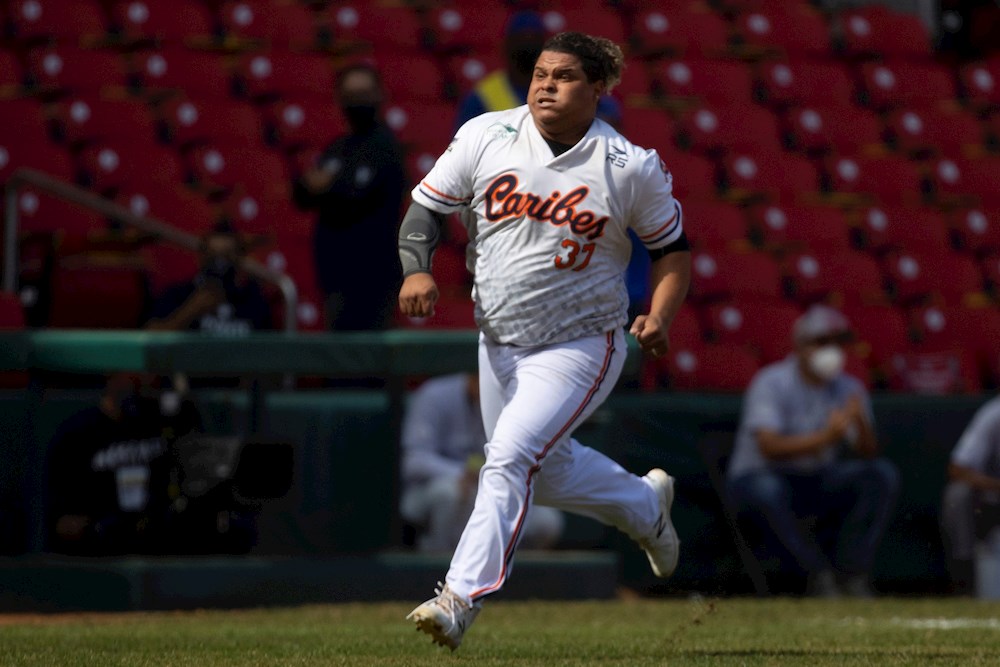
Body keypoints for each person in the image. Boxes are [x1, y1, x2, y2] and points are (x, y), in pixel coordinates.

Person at [397, 32, 691, 650]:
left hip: (583, 342)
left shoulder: (629, 165)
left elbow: (670, 253)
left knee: (506, 459)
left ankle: (458, 599)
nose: (544, 85)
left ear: (599, 89)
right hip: (500, 337)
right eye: (538, 74)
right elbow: (425, 210)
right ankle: (643, 506)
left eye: (563, 76)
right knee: (541, 472)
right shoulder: (486, 134)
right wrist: (418, 267)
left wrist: (660, 316)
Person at [725, 304, 900, 597]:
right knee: (767, 490)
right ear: (800, 346)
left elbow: (868, 452)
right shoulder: (772, 381)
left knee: (880, 475)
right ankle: (816, 576)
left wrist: (859, 423)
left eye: (838, 343)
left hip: (816, 479)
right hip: (762, 476)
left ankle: (852, 574)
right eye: (822, 342)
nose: (831, 351)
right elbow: (769, 447)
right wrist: (825, 437)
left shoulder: (849, 388)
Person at [292, 62, 406, 331]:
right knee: (339, 356)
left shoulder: (385, 148)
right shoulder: (338, 148)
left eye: (364, 94)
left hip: (373, 276)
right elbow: (302, 193)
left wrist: (327, 188)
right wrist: (322, 188)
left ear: (379, 96)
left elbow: (356, 197)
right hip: (335, 275)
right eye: (352, 96)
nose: (358, 103)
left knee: (365, 359)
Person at [401, 372, 564, 553]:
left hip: (493, 491)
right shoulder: (435, 396)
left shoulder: (512, 400)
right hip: (434, 490)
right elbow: (413, 461)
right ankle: (440, 570)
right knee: (449, 494)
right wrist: (460, 474)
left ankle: (507, 574)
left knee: (545, 522)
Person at [45, 373, 203, 556]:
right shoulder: (76, 435)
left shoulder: (167, 427)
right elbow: (60, 524)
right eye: (134, 373)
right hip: (101, 557)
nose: (145, 380)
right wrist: (100, 528)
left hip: (159, 552)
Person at [146, 222, 272, 335]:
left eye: (227, 254)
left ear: (240, 257)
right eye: (213, 254)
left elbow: (270, 349)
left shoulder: (252, 300)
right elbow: (150, 336)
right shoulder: (180, 294)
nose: (219, 263)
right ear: (201, 256)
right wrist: (190, 311)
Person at [940, 394, 1000, 596]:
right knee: (958, 494)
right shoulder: (994, 414)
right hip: (992, 501)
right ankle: (965, 580)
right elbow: (957, 468)